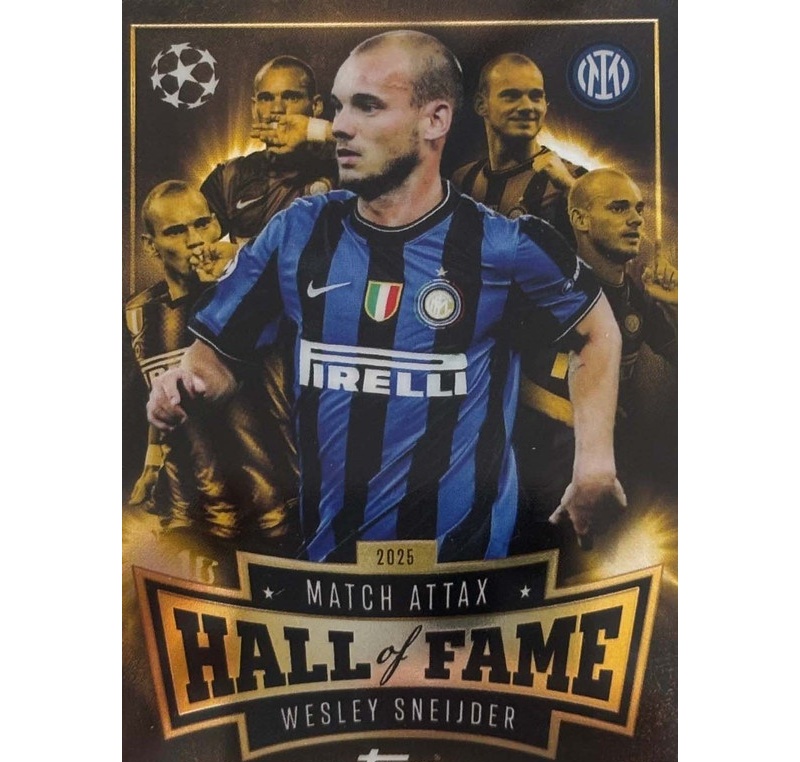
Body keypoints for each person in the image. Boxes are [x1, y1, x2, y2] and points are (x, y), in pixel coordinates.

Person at [147, 31, 626, 563]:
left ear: (435, 120)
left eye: (368, 106)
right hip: (329, 569)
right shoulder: (298, 231)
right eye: (338, 107)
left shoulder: (504, 245)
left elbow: (597, 330)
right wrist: (183, 384)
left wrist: (594, 465)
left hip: (465, 577)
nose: (340, 126)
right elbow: (216, 357)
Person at [126, 180, 299, 548]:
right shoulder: (138, 315)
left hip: (270, 519)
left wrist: (239, 265)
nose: (195, 240)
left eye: (202, 224)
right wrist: (151, 464)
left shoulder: (257, 301)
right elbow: (153, 398)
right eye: (176, 231)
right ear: (150, 245)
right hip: (186, 520)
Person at [512, 169, 677, 552]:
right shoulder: (543, 289)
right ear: (580, 219)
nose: (635, 219)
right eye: (619, 208)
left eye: (638, 209)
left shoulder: (637, 297)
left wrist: (675, 305)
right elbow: (492, 368)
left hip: (608, 478)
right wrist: (572, 411)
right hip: (534, 474)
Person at [200, 56, 337, 243]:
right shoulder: (229, 177)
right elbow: (190, 243)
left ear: (316, 106)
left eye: (291, 97)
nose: (277, 109)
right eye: (266, 98)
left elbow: (380, 148)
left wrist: (315, 130)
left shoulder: (345, 168)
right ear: (254, 108)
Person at [451, 53, 585, 242]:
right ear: (481, 105)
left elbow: (610, 249)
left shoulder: (574, 178)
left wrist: (570, 189)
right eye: (512, 96)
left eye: (536, 97)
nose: (527, 107)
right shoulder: (462, 179)